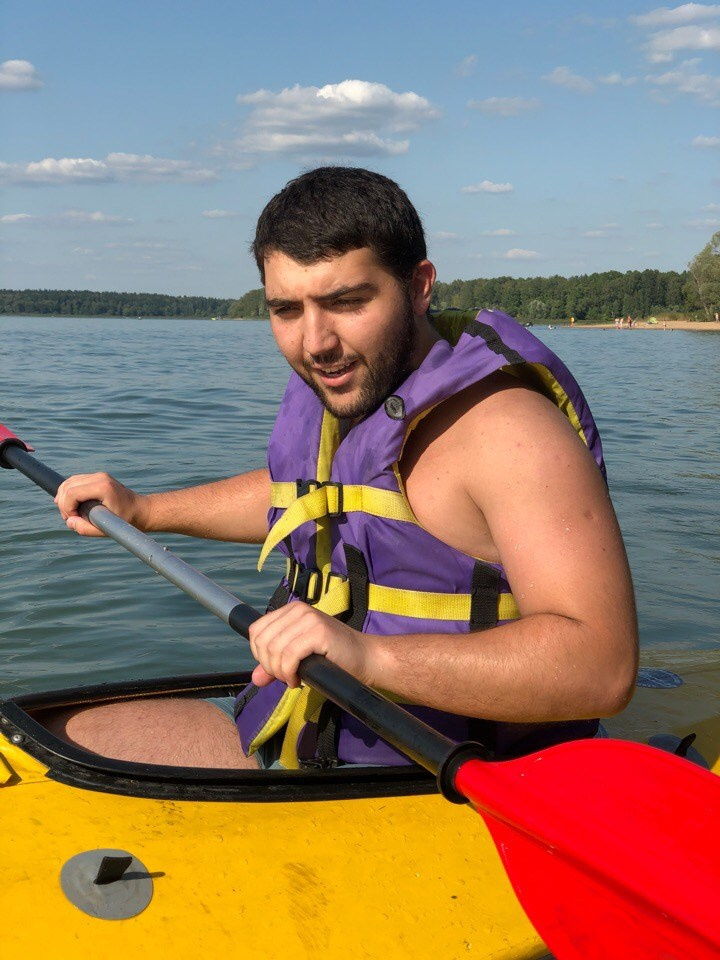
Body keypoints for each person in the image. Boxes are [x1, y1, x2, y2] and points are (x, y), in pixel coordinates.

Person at [50, 167, 638, 770]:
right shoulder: (356, 390)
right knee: (54, 736)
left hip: (440, 776)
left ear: (419, 287)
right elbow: (308, 497)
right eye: (286, 309)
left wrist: (366, 657)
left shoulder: (509, 433)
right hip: (297, 730)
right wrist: (144, 509)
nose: (315, 343)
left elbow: (603, 667)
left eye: (346, 302)